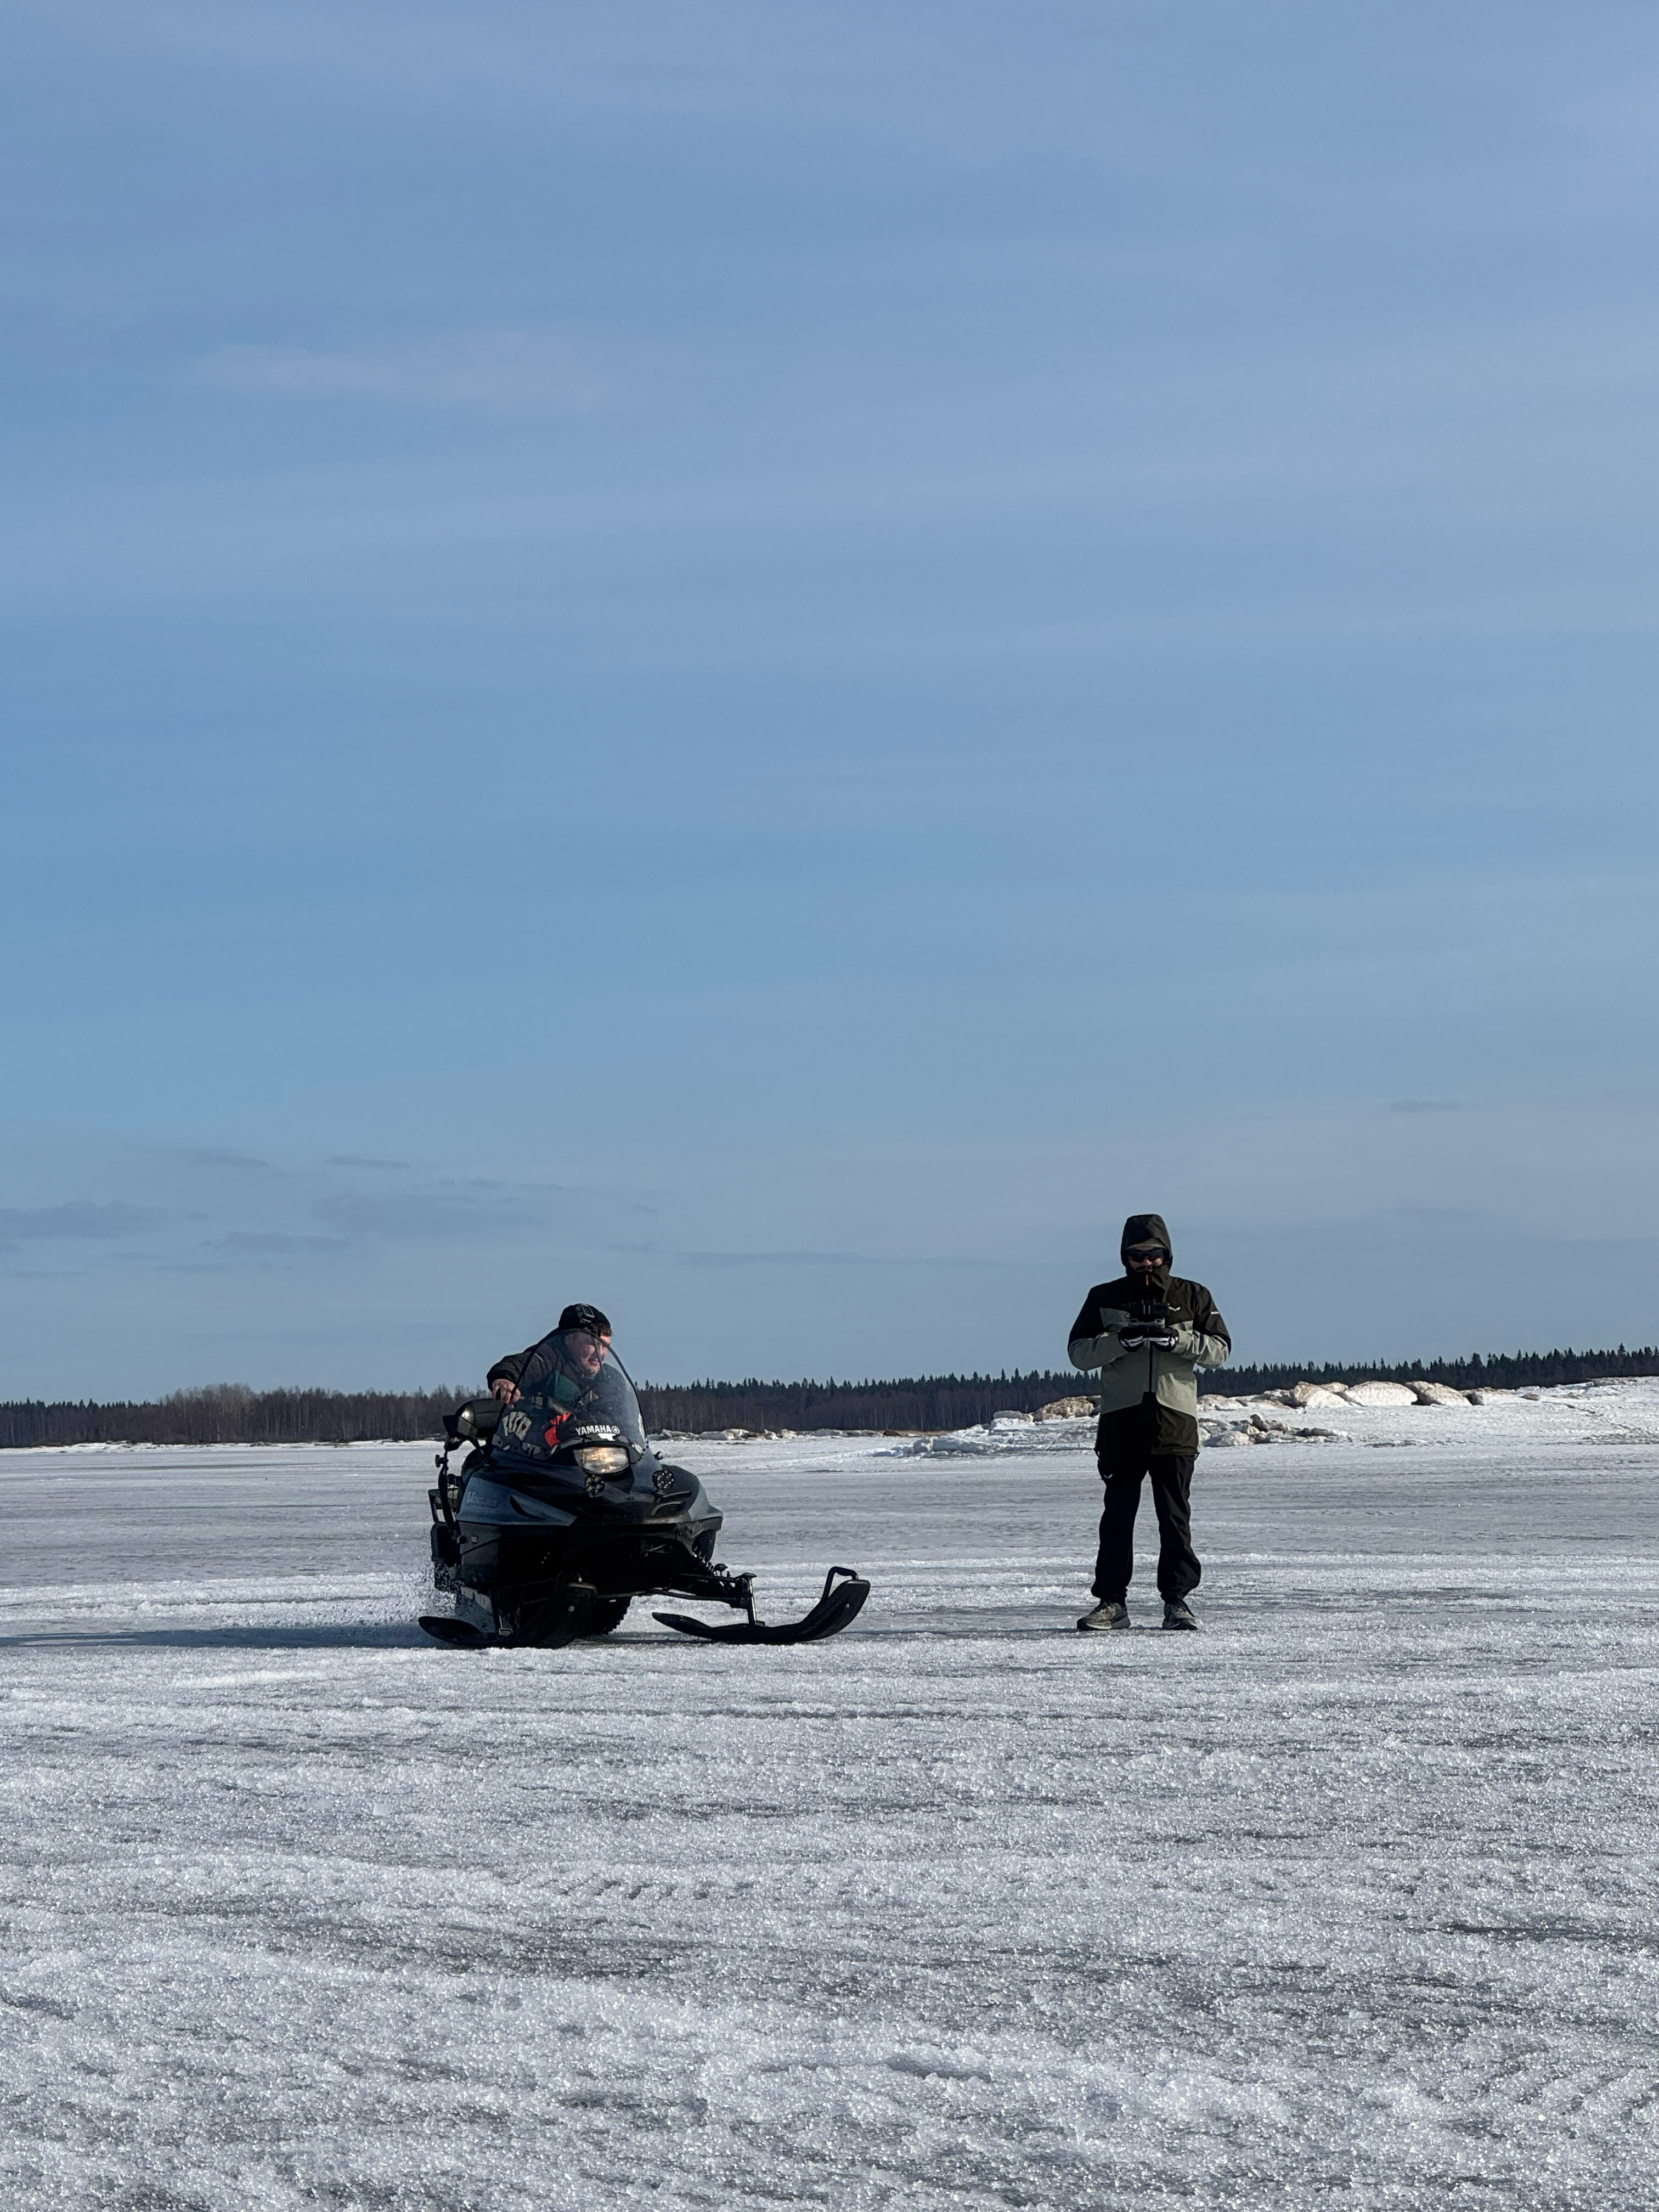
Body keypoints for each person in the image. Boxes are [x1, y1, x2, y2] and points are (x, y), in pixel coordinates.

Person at [1066, 1214, 1230, 1632]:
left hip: (1174, 1423)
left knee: (1174, 1518)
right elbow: (1079, 1354)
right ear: (1126, 1257)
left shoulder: (1193, 1295)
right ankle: (1111, 1603)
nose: (1147, 1263)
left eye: (1154, 1255)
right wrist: (1120, 1343)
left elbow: (1220, 1350)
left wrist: (1179, 1341)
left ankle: (1177, 1602)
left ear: (1167, 1254)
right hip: (1122, 1423)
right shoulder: (1104, 1297)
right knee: (1117, 1518)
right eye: (1138, 1256)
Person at [486, 1302, 640, 1461]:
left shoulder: (610, 1378)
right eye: (592, 1344)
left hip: (595, 1458)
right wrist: (506, 1380)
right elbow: (520, 1365)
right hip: (537, 1457)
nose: (600, 1354)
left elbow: (627, 1421)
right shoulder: (549, 1358)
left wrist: (638, 1452)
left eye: (605, 1346)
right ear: (569, 1339)